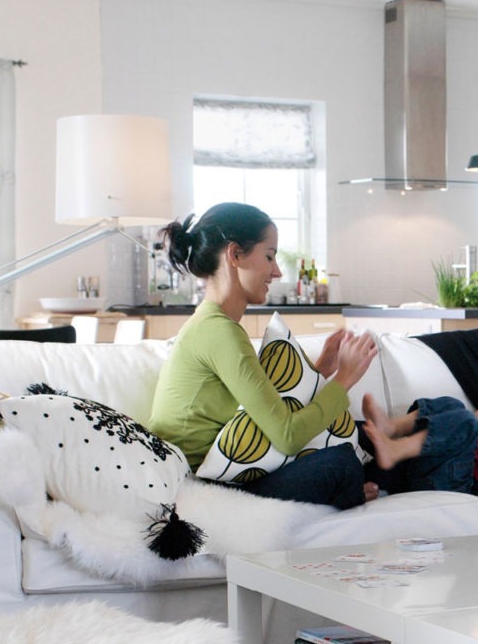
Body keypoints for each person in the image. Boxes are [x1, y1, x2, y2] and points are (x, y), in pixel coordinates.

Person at [148, 203, 378, 508]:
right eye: (269, 256)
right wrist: (345, 379)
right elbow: (287, 435)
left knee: (364, 435)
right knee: (340, 463)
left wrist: (321, 370)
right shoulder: (219, 332)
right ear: (235, 255)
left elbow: (267, 408)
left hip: (228, 471)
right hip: (205, 488)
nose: (277, 271)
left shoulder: (213, 324)